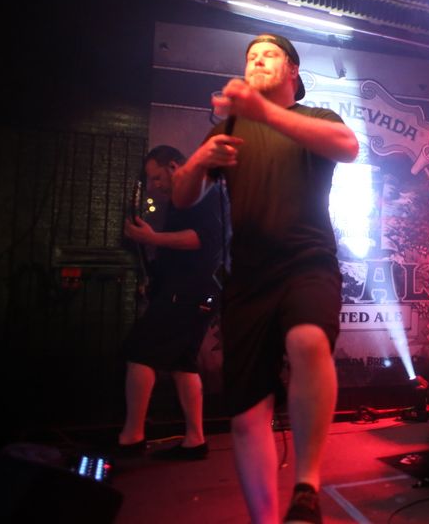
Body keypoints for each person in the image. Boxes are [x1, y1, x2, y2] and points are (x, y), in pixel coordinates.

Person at [171, 33, 358, 524]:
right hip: (247, 279)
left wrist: (265, 112)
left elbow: (349, 147)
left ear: (293, 70)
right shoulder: (229, 128)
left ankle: (306, 487)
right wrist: (200, 160)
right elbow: (183, 197)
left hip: (307, 261)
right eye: (250, 56)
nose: (256, 60)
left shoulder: (316, 118)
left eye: (268, 54)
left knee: (307, 341)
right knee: (247, 413)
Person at [119, 145, 224, 460]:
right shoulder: (187, 197)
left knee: (140, 351)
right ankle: (195, 441)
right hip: (193, 291)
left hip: (188, 291)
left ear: (174, 166)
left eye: (156, 177)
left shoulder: (202, 191)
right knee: (182, 363)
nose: (154, 186)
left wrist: (151, 238)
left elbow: (204, 239)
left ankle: (132, 437)